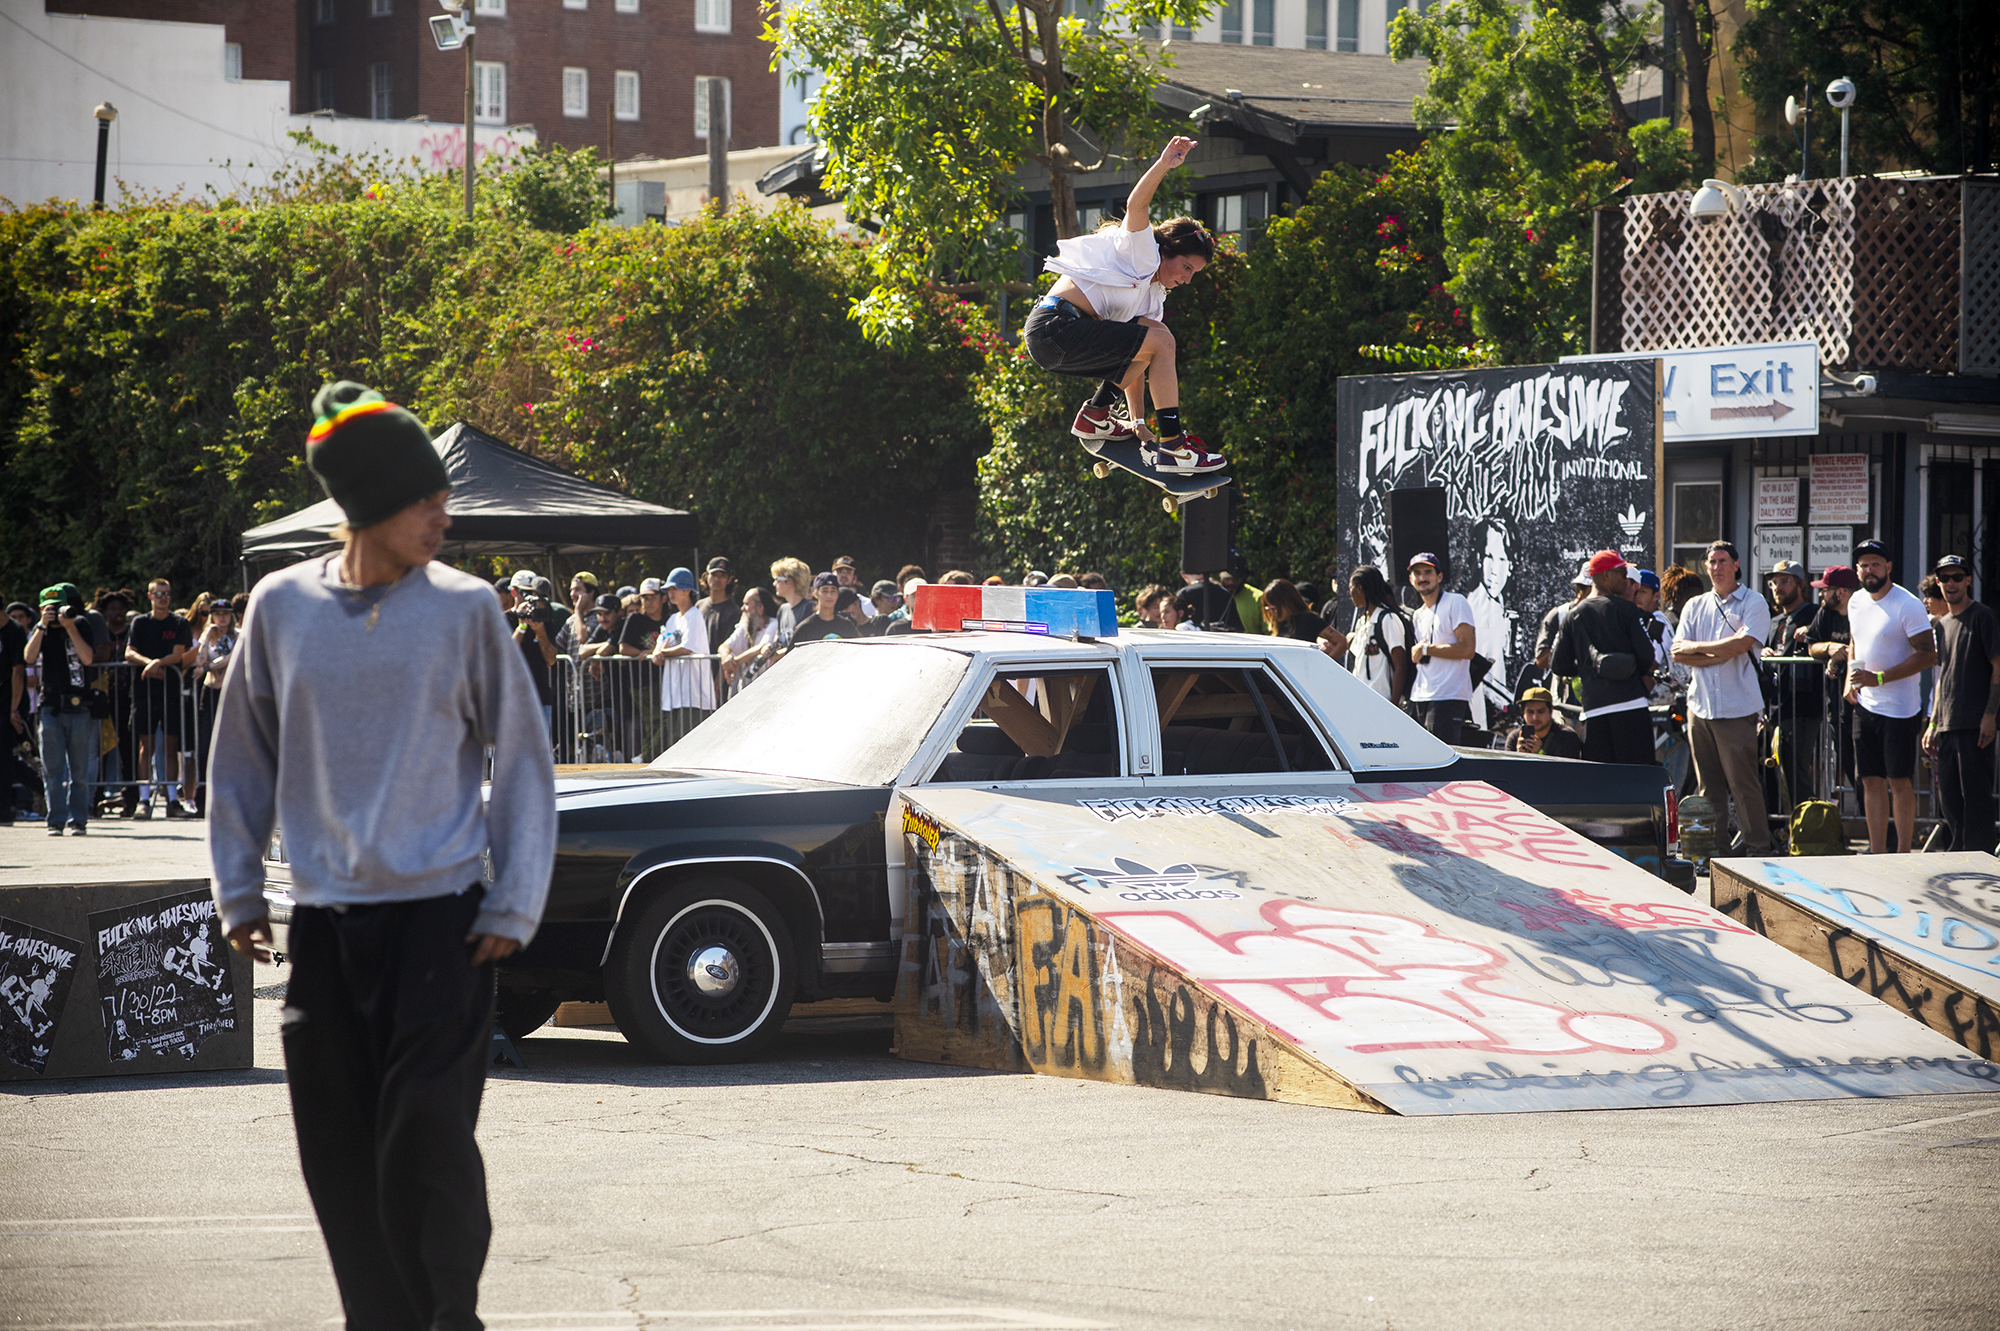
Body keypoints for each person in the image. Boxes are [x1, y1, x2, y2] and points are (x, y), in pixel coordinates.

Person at [208, 380, 555, 1331]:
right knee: (340, 1154)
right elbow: (240, 757)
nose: (444, 513)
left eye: (444, 496)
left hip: (445, 925)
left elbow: (523, 760)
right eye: (423, 498)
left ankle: (451, 1315)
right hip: (324, 927)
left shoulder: (467, 610)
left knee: (427, 1137)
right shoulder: (281, 608)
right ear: (367, 505)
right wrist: (238, 887)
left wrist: (513, 900)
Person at [1025, 135, 1225, 477]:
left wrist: (1137, 421)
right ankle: (1175, 447)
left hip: (1061, 337)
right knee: (1160, 340)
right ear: (1167, 252)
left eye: (1195, 274)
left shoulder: (1152, 296)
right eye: (1187, 268)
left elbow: (1136, 355)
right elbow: (1137, 206)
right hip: (1053, 327)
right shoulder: (1143, 252)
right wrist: (1164, 165)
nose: (1187, 280)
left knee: (1155, 336)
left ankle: (1096, 415)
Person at [1671, 540, 1775, 856]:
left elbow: (1741, 645)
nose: (1717, 567)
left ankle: (1758, 847)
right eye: (1712, 561)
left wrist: (1701, 649)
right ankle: (1712, 851)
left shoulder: (1753, 601)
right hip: (1699, 706)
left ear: (1736, 565)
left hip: (1737, 706)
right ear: (1706, 567)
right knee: (1708, 788)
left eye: (1723, 560)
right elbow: (1677, 652)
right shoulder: (1695, 605)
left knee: (1743, 786)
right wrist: (1716, 652)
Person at [1844, 539, 1935, 855]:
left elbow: (1927, 655)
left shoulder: (1906, 604)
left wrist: (1879, 678)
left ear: (1889, 567)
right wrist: (1850, 680)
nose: (1870, 570)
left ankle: (1903, 852)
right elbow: (1855, 641)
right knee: (1870, 780)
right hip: (1865, 705)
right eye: (1864, 565)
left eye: (1875, 564)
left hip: (1900, 708)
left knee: (1899, 781)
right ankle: (1877, 852)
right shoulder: (1855, 601)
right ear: (1857, 570)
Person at [1551, 551, 1657, 765]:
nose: (1627, 579)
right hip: (1631, 707)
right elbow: (1647, 657)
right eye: (1622, 572)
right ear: (1606, 576)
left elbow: (1558, 665)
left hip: (1593, 711)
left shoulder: (1573, 615)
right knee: (1638, 780)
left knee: (1603, 784)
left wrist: (1586, 668)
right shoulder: (1626, 609)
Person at [1925, 555, 2000, 854]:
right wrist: (1932, 722)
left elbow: (1998, 666)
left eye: (1957, 577)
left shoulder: (1982, 616)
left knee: (1976, 797)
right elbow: (1942, 677)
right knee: (1951, 800)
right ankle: (1957, 858)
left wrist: (1990, 715)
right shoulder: (1942, 624)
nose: (1951, 583)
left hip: (1975, 722)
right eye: (1945, 578)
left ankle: (1980, 858)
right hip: (1947, 724)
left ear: (1968, 580)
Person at [23, 584, 102, 835]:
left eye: (59, 608)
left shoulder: (81, 624)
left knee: (79, 770)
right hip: (50, 706)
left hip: (79, 705)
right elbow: (28, 657)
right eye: (50, 609)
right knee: (53, 769)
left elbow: (87, 658)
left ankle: (79, 820)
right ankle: (55, 820)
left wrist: (69, 626)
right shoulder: (41, 630)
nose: (56, 613)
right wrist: (42, 626)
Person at [125, 577, 195, 819]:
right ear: (150, 596)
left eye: (167, 594)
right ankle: (144, 800)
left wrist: (157, 663)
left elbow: (178, 654)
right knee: (146, 746)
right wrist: (150, 664)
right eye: (158, 594)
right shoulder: (140, 622)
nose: (163, 598)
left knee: (170, 745)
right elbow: (129, 652)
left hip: (170, 691)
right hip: (144, 691)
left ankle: (172, 801)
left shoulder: (179, 622)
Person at [1760, 558, 1821, 803]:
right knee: (1768, 770)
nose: (1778, 587)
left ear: (1800, 585)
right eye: (1774, 583)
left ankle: (1809, 830)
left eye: (1785, 581)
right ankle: (1777, 830)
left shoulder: (1815, 614)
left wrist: (1811, 635)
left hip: (1803, 707)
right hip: (1774, 706)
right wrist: (1764, 653)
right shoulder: (1773, 621)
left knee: (1796, 770)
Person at [1806, 565, 1863, 810]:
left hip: (1865, 704)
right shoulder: (1825, 614)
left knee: (1868, 772)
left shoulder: (1863, 612)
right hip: (1836, 705)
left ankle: (1888, 838)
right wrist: (1829, 647)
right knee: (1849, 766)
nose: (1820, 595)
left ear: (1840, 593)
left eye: (1825, 590)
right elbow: (1811, 645)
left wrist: (1845, 654)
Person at [1407, 553, 1477, 745]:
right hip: (1419, 697)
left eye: (1428, 572)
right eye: (1417, 573)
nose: (1422, 578)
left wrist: (1427, 650)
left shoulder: (1456, 602)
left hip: (1448, 697)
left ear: (1439, 577)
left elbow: (1467, 649)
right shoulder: (1418, 614)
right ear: (1411, 579)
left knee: (1442, 766)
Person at [1320, 565, 1411, 705]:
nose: (1349, 593)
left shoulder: (1388, 619)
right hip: (1362, 702)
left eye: (1351, 587)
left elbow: (1401, 665)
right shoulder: (1361, 622)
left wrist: (1394, 706)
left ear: (1360, 589)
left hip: (1384, 703)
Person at [187, 592, 242, 817]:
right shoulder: (207, 635)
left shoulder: (239, 635)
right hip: (209, 692)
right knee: (205, 747)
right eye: (217, 614)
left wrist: (208, 668)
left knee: (231, 746)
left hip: (230, 691)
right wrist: (206, 636)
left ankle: (231, 801)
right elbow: (198, 661)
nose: (221, 618)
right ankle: (203, 801)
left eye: (225, 614)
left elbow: (232, 658)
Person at [1465, 516, 1520, 728]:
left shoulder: (1499, 604)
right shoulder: (1474, 606)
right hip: (1485, 712)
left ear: (1511, 564)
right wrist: (1506, 702)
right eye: (1489, 557)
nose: (1495, 569)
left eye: (1502, 559)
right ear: (1479, 559)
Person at [651, 567, 716, 744]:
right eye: (669, 589)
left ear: (687, 591)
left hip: (693, 695)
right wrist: (658, 652)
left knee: (692, 743)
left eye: (675, 588)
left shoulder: (695, 616)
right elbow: (660, 643)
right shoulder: (672, 619)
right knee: (674, 741)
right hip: (675, 694)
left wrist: (661, 652)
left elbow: (687, 648)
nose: (670, 593)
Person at [504, 569, 561, 735]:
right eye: (526, 593)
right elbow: (507, 654)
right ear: (514, 592)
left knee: (538, 756)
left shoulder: (543, 619)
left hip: (539, 696)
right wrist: (521, 627)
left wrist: (540, 631)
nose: (531, 598)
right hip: (511, 697)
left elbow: (551, 659)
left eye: (534, 593)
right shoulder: (505, 619)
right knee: (508, 754)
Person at [719, 587, 781, 697]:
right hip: (745, 690)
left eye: (746, 604)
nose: (742, 608)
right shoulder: (745, 625)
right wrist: (726, 658)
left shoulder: (773, 624)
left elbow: (762, 646)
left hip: (765, 691)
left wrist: (736, 661)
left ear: (760, 607)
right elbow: (724, 645)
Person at [1507, 687, 1584, 759]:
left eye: (1541, 712)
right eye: (1530, 712)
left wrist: (1540, 754)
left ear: (1550, 711)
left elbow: (1567, 771)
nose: (1535, 717)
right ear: (1523, 713)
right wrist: (1517, 757)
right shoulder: (1515, 738)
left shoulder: (1567, 737)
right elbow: (1507, 771)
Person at [791, 572, 865, 645]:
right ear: (815, 594)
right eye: (825, 591)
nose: (829, 595)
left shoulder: (846, 626)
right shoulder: (805, 628)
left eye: (833, 591)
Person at [0, 600, 23, 826]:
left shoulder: (13, 631)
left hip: (7, 703)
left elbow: (18, 671)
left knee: (5, 759)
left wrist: (14, 709)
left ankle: (4, 810)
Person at [1258, 579, 1334, 647]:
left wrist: (1323, 661)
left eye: (1274, 609)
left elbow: (1341, 642)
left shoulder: (1308, 619)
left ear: (1287, 603)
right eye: (1268, 609)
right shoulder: (1281, 625)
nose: (1272, 612)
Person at [1177, 572, 1243, 631]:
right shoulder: (1225, 593)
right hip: (1223, 640)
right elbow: (1237, 628)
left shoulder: (1185, 593)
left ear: (1183, 575)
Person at [697, 557, 740, 645]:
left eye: (722, 575)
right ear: (706, 576)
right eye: (713, 574)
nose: (717, 579)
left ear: (729, 580)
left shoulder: (734, 611)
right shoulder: (699, 606)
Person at [770, 558, 812, 643]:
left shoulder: (809, 609)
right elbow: (779, 641)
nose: (774, 584)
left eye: (777, 579)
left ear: (789, 581)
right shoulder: (783, 609)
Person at [1220, 567, 1265, 635]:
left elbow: (1269, 632)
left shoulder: (1259, 598)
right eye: (1227, 578)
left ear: (1243, 577)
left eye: (1236, 578)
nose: (1231, 582)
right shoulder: (1213, 596)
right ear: (1221, 576)